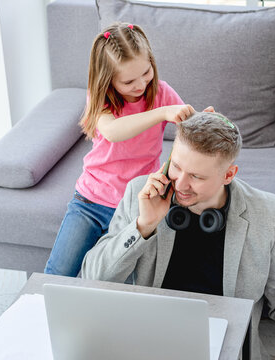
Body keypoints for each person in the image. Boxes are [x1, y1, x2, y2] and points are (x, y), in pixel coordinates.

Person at [81, 112, 275, 360]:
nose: (180, 184)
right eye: (175, 166)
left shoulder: (271, 214)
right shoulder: (141, 193)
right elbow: (92, 279)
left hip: (227, 350)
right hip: (151, 342)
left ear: (228, 174)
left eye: (197, 176)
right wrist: (143, 225)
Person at [44, 22, 200, 276]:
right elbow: (114, 131)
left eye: (146, 72)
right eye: (128, 81)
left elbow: (190, 128)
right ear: (108, 80)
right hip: (90, 203)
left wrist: (203, 121)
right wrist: (161, 113)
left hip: (135, 205)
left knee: (122, 279)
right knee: (58, 273)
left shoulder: (161, 92)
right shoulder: (101, 99)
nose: (140, 84)